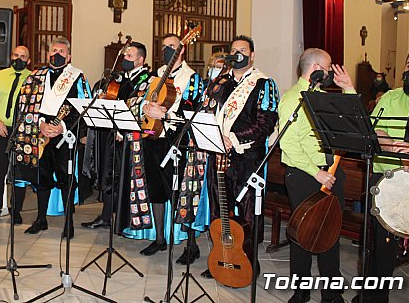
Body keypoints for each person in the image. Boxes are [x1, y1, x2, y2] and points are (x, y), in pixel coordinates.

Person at [200, 35, 279, 277]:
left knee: (246, 212)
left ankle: (247, 260)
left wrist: (232, 139)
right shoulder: (221, 83)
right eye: (234, 50)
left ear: (252, 55)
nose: (238, 54)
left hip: (248, 159)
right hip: (219, 155)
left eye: (243, 50)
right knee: (218, 209)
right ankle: (221, 257)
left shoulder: (263, 84)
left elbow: (265, 124)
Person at [279, 48, 354, 303]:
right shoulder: (292, 99)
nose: (333, 71)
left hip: (332, 173)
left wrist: (348, 89)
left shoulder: (324, 97)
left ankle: (330, 294)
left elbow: (352, 125)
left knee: (330, 234)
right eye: (329, 66)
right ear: (316, 70)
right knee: (303, 234)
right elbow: (289, 145)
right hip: (304, 176)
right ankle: (301, 293)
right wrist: (317, 173)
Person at [13, 36, 91, 239]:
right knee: (41, 178)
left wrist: (62, 126)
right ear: (48, 54)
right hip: (39, 134)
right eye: (53, 51)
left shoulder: (77, 77)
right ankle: (41, 219)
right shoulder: (35, 76)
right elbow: (26, 105)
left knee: (66, 179)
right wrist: (40, 124)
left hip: (64, 136)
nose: (56, 55)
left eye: (61, 52)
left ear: (69, 56)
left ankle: (68, 223)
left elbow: (84, 107)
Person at [355, 50, 409, 303]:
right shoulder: (391, 97)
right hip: (386, 180)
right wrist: (392, 145)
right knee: (380, 248)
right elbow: (374, 127)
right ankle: (374, 298)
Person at [139, 33, 204, 257]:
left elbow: (192, 111)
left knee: (180, 192)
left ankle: (191, 245)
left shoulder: (192, 78)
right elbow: (143, 99)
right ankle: (159, 238)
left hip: (177, 140)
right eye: (164, 47)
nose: (168, 50)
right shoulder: (154, 75)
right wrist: (146, 108)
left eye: (172, 47)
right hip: (151, 137)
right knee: (155, 190)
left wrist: (164, 114)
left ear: (182, 50)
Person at [81, 42, 150, 230]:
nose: (124, 60)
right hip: (113, 135)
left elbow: (138, 107)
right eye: (124, 56)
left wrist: (123, 129)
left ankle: (124, 219)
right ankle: (106, 216)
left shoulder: (145, 79)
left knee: (123, 179)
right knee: (109, 175)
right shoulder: (120, 78)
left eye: (129, 57)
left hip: (130, 138)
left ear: (140, 60)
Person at [0, 46, 31, 227]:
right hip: (1, 130)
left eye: (23, 57)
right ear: (11, 56)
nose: (19, 59)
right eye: (16, 55)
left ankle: (16, 211)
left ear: (28, 60)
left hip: (23, 132)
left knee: (19, 174)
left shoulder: (33, 80)